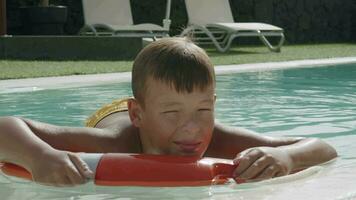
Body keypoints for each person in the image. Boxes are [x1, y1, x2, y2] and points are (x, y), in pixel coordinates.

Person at [0, 37, 337, 187]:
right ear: (138, 114)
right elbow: (6, 127)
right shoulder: (115, 141)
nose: (191, 129)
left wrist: (287, 158)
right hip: (112, 113)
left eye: (203, 109)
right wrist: (38, 155)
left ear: (214, 104)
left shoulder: (216, 135)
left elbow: (322, 146)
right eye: (173, 113)